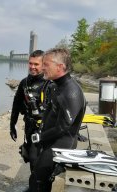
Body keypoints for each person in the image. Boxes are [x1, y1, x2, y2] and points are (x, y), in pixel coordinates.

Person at [30, 48, 86, 192]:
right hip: (50, 141)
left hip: (60, 144)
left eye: (46, 64)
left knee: (38, 181)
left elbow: (63, 127)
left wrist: (40, 137)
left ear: (60, 67)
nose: (42, 68)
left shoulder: (71, 91)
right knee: (38, 181)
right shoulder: (57, 86)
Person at [9, 50, 48, 191]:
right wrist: (12, 124)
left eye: (36, 64)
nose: (32, 67)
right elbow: (16, 104)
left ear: (44, 65)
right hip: (30, 127)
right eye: (30, 63)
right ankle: (35, 186)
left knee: (40, 161)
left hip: (45, 131)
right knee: (31, 159)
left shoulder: (49, 83)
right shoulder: (24, 83)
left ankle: (39, 187)